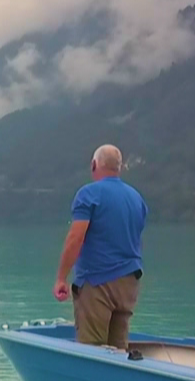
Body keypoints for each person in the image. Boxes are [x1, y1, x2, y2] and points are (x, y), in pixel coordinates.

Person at [52, 144, 149, 348]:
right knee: (118, 349)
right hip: (129, 283)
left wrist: (61, 278)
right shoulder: (137, 198)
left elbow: (75, 238)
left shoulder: (89, 194)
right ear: (119, 168)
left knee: (92, 349)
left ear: (94, 164)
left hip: (97, 283)